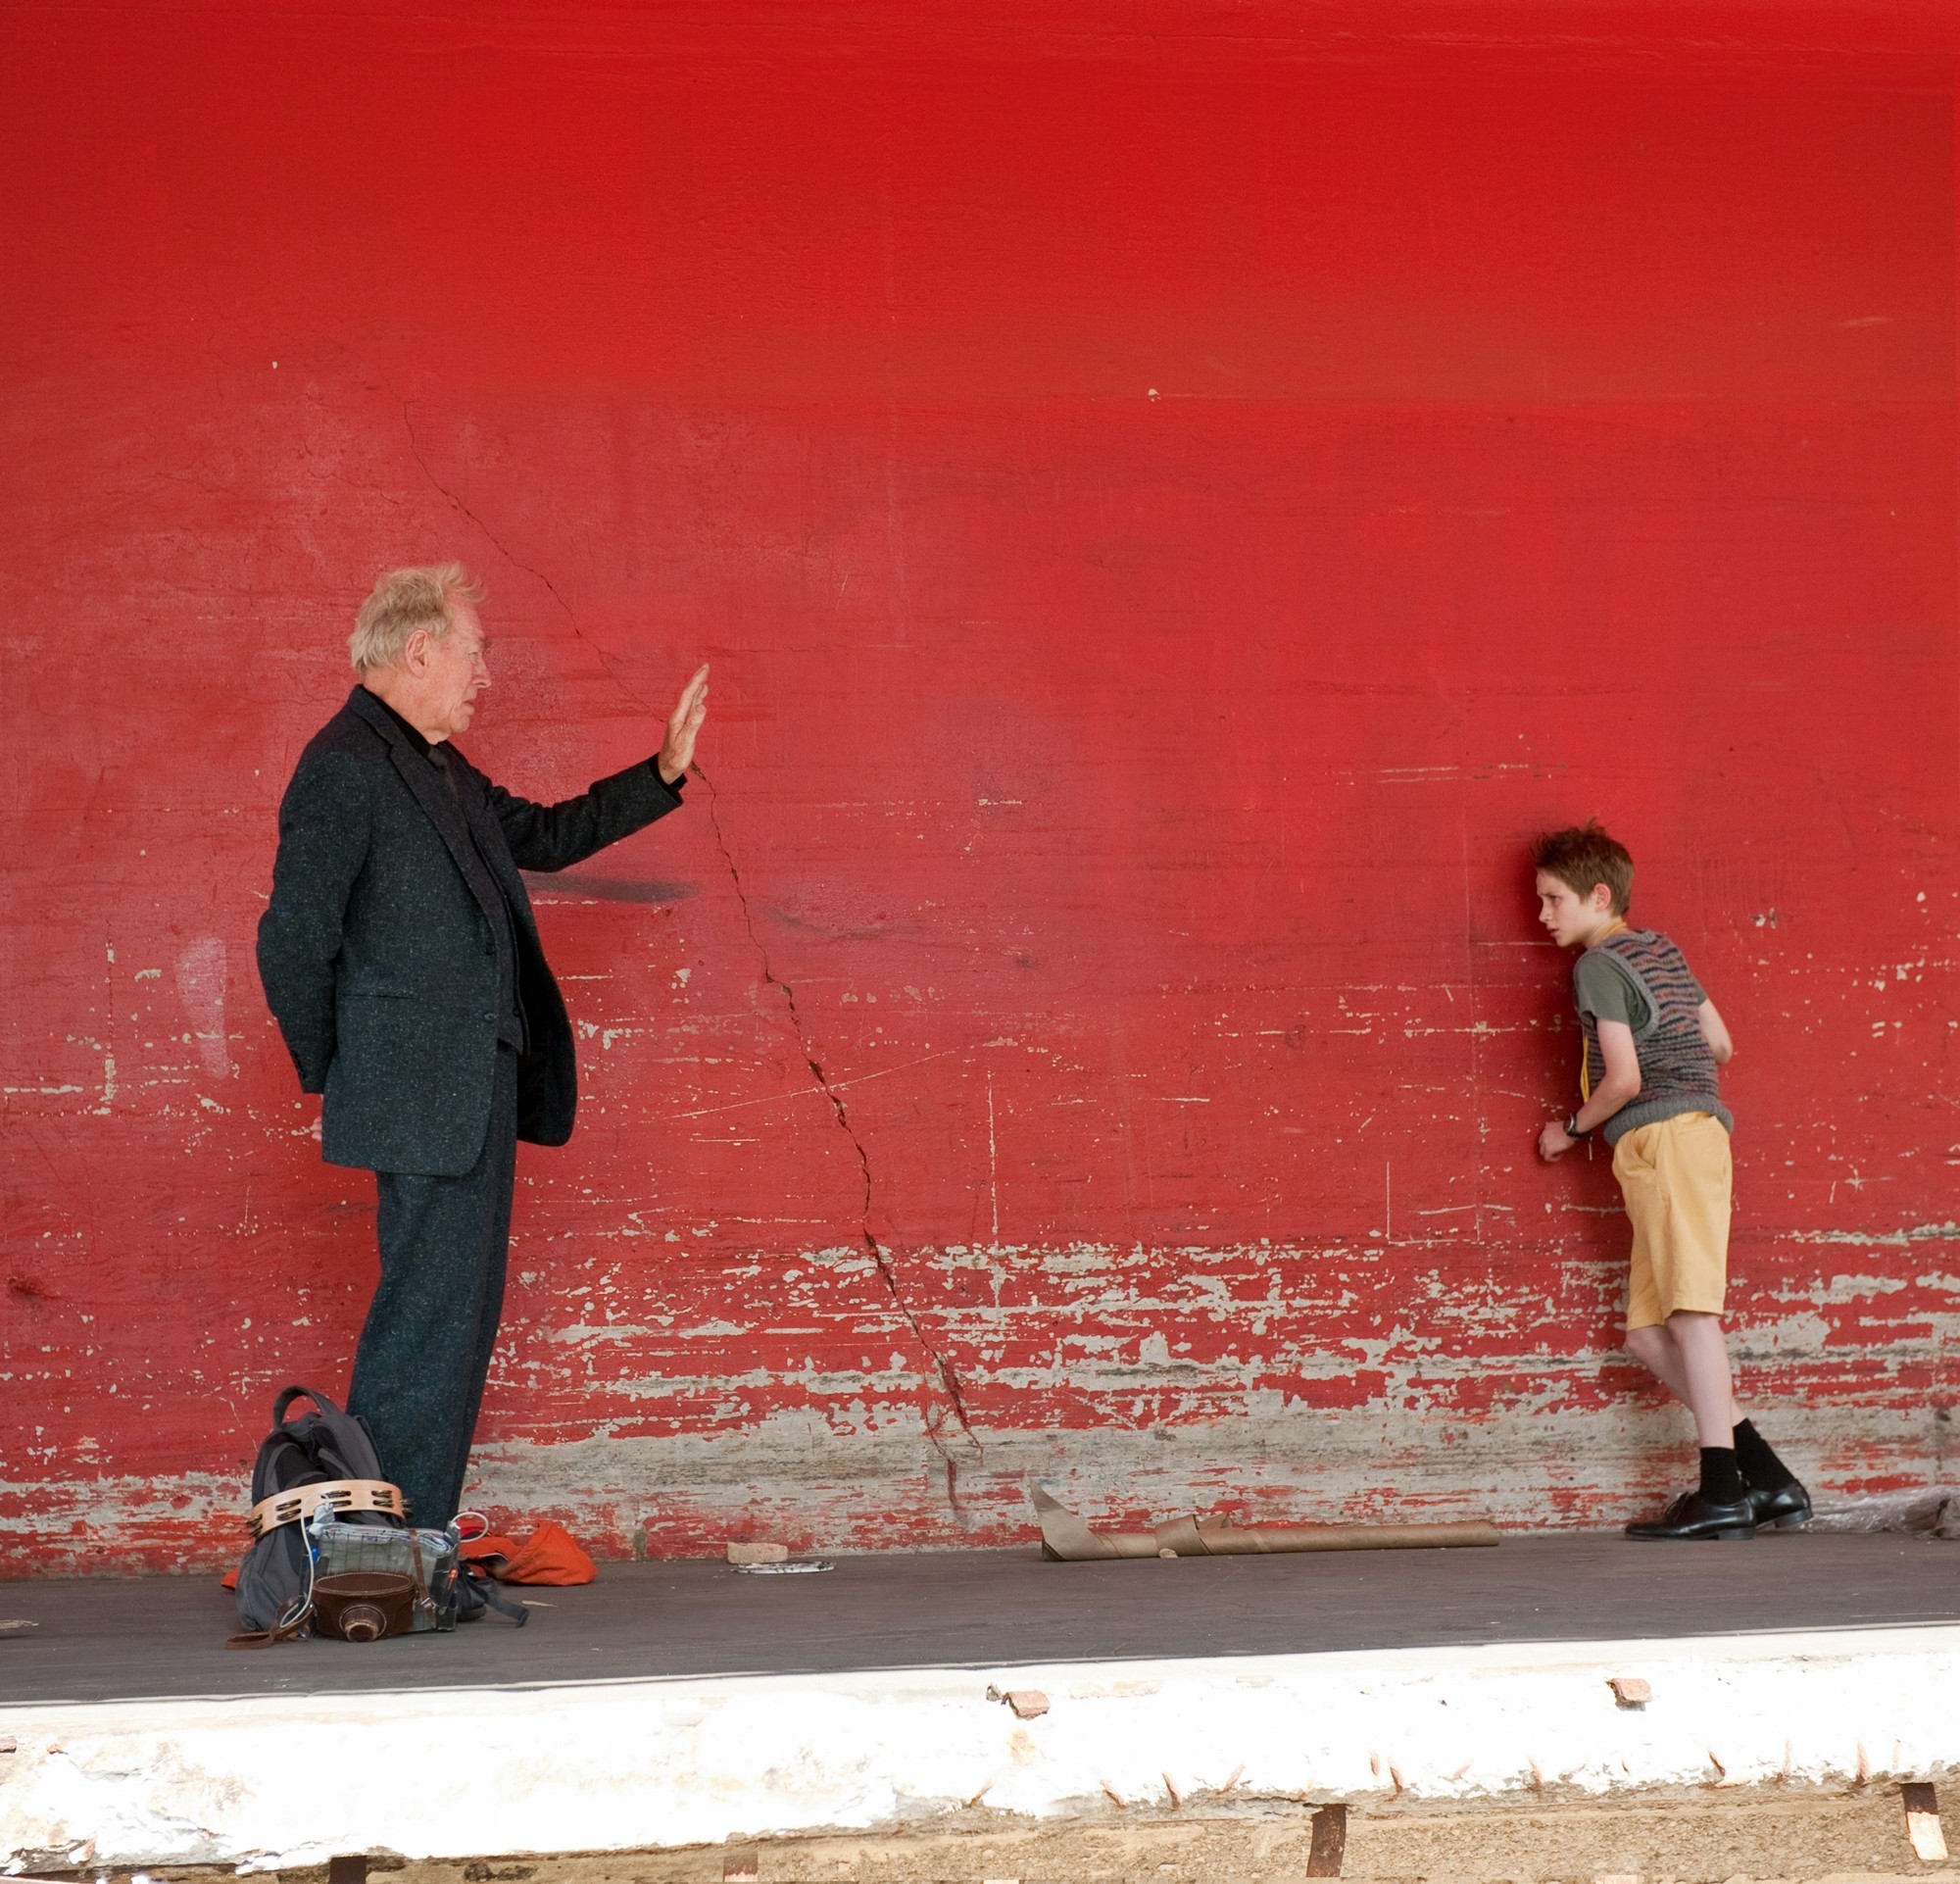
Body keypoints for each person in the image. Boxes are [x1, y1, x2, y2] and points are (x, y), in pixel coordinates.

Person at [257, 564, 709, 1527]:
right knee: (427, 1318)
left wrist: (661, 772)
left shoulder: (433, 763)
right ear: (418, 649)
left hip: (468, 1089)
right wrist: (346, 1069)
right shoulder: (346, 763)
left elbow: (541, 836)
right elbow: (292, 937)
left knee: (453, 1320)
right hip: (418, 1091)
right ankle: (373, 1536)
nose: (483, 676)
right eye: (473, 653)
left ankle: (408, 1533)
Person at [1531, 821, 1809, 1541]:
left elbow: (1621, 1078)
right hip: (1685, 1139)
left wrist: (1570, 1129)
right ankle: (1768, 1480)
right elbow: (1719, 1043)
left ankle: (1722, 1494)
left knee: (1690, 1319)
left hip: (1665, 1138)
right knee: (1648, 1337)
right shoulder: (1661, 951)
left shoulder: (1596, 967)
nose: (1544, 916)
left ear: (1598, 895)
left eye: (1555, 899)